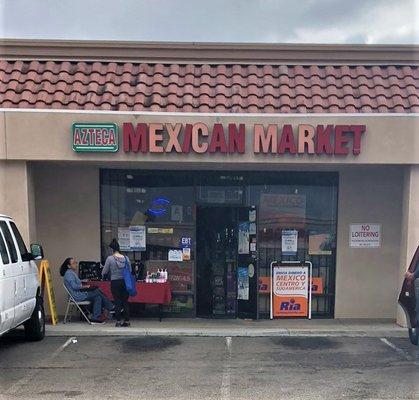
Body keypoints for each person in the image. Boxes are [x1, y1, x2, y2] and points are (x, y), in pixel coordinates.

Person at [60, 257, 114, 324]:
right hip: (76, 296)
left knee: (98, 296)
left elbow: (76, 283)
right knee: (97, 291)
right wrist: (85, 286)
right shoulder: (69, 274)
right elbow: (74, 286)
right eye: (73, 263)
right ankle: (110, 307)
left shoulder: (71, 273)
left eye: (76, 263)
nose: (76, 265)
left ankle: (95, 318)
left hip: (79, 294)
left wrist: (83, 281)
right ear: (69, 266)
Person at [102, 239, 131, 327]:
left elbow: (104, 271)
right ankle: (126, 321)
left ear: (111, 249)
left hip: (115, 282)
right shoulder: (126, 258)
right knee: (125, 301)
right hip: (125, 282)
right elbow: (130, 270)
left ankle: (118, 321)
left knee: (117, 301)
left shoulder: (110, 259)